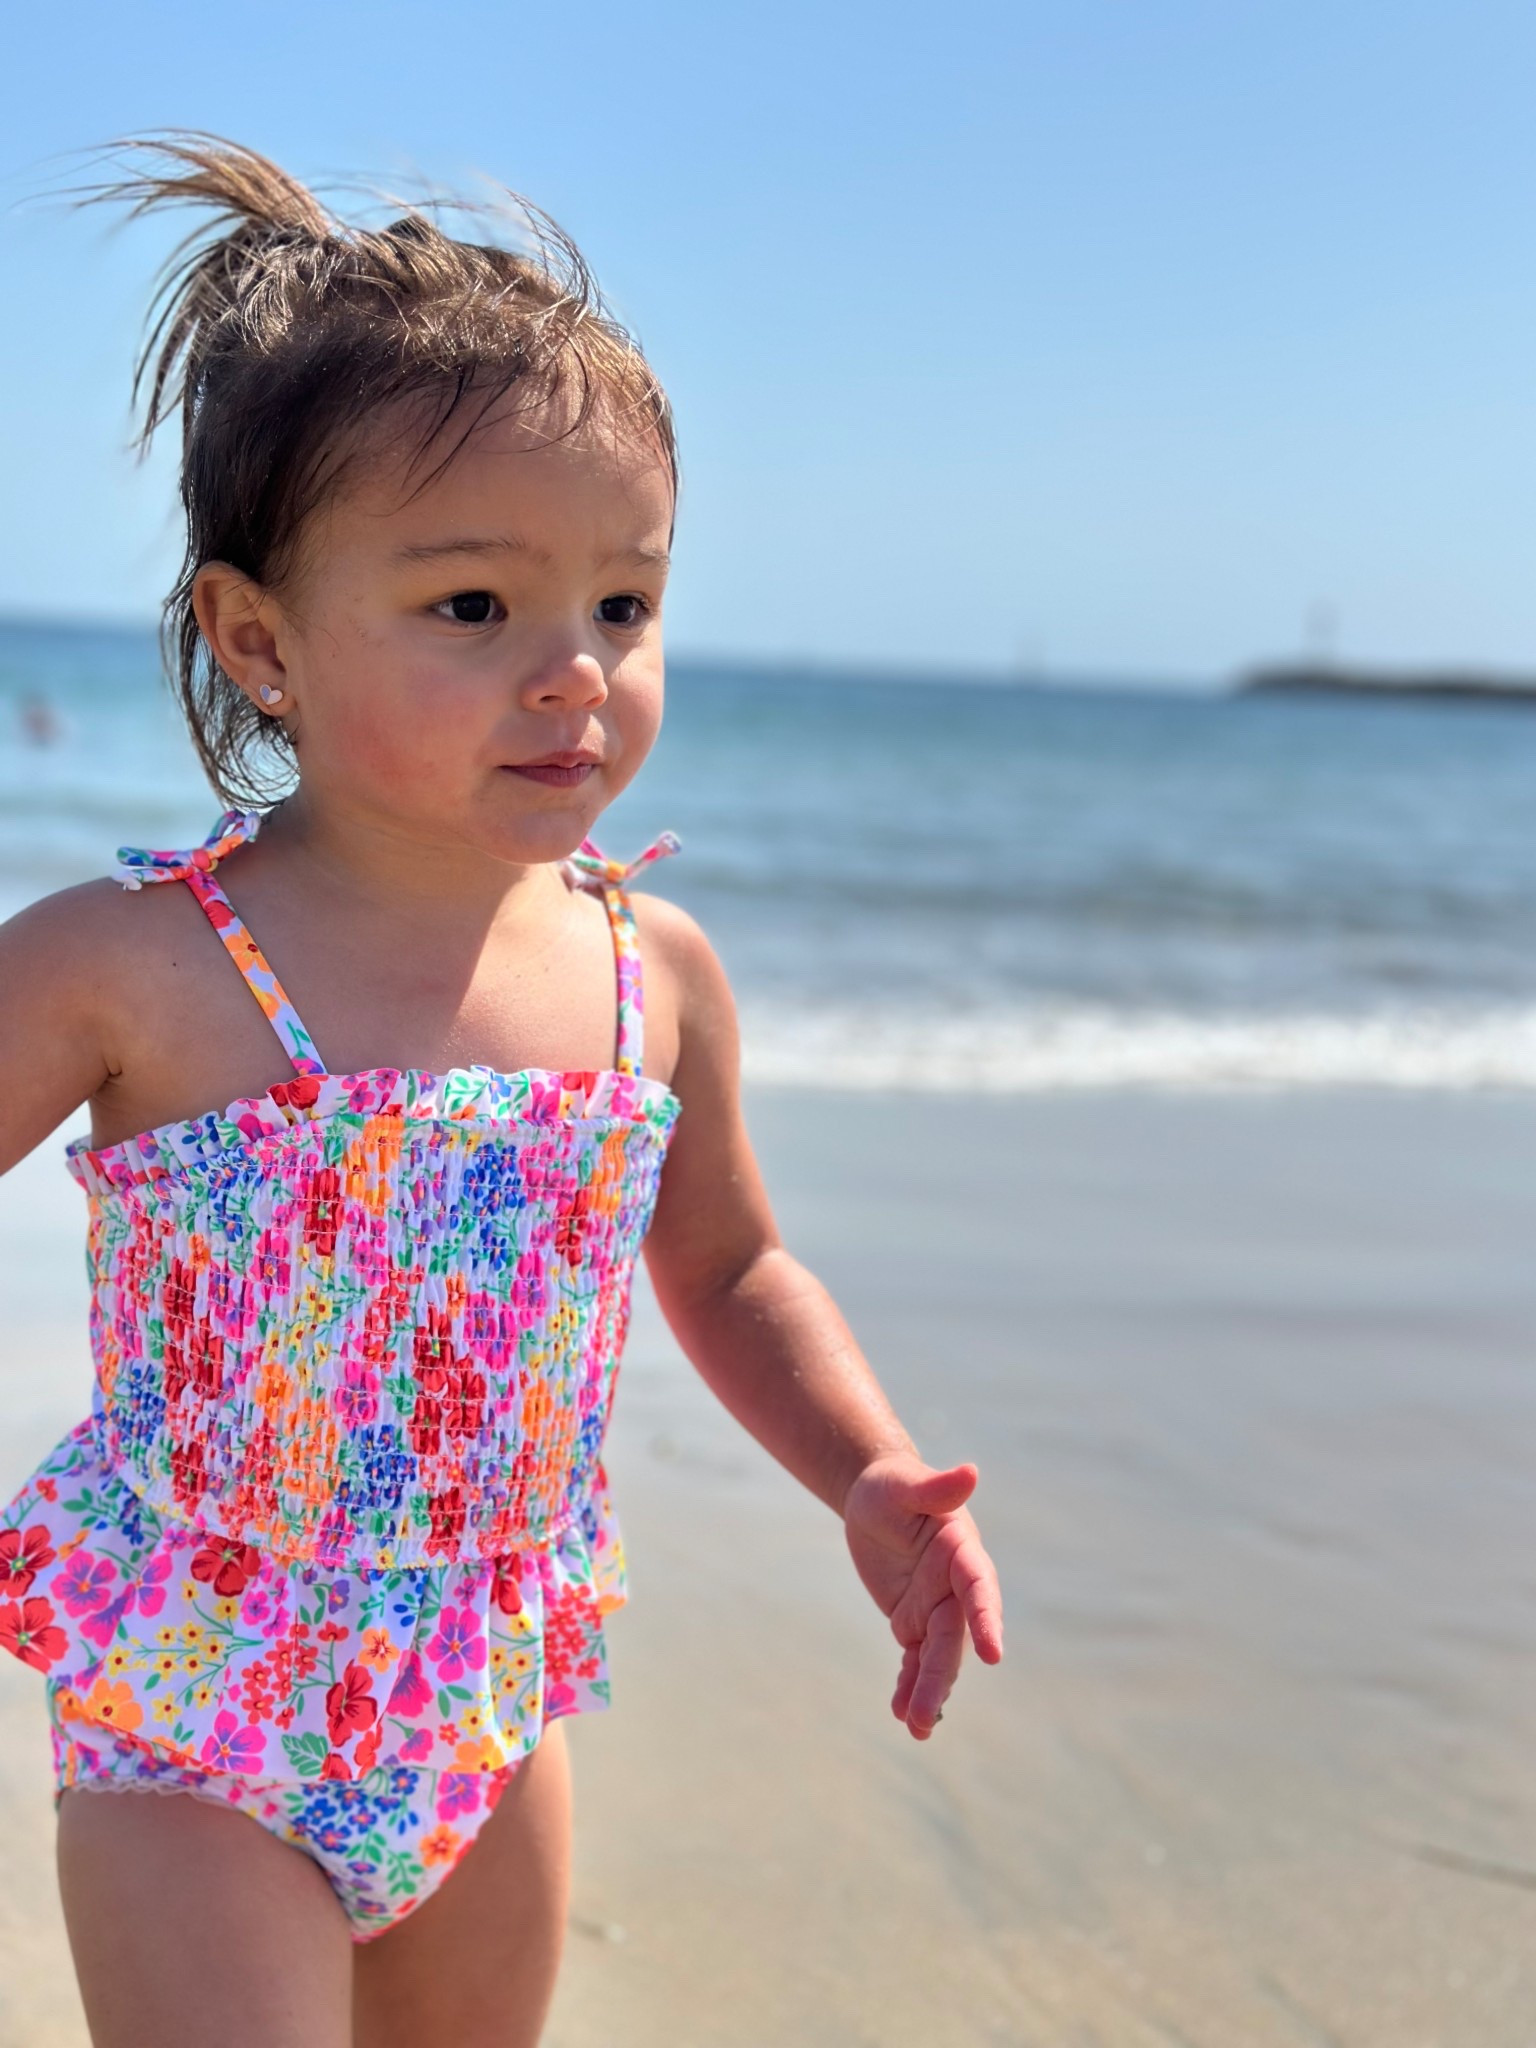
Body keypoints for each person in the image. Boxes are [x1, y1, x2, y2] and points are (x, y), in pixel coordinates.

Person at [0, 133, 1004, 2047]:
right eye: (474, 608)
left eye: (624, 605)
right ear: (259, 643)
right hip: (197, 1706)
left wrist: (867, 1469)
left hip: (481, 1693)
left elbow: (730, 1269)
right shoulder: (139, 966)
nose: (575, 674)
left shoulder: (649, 975)